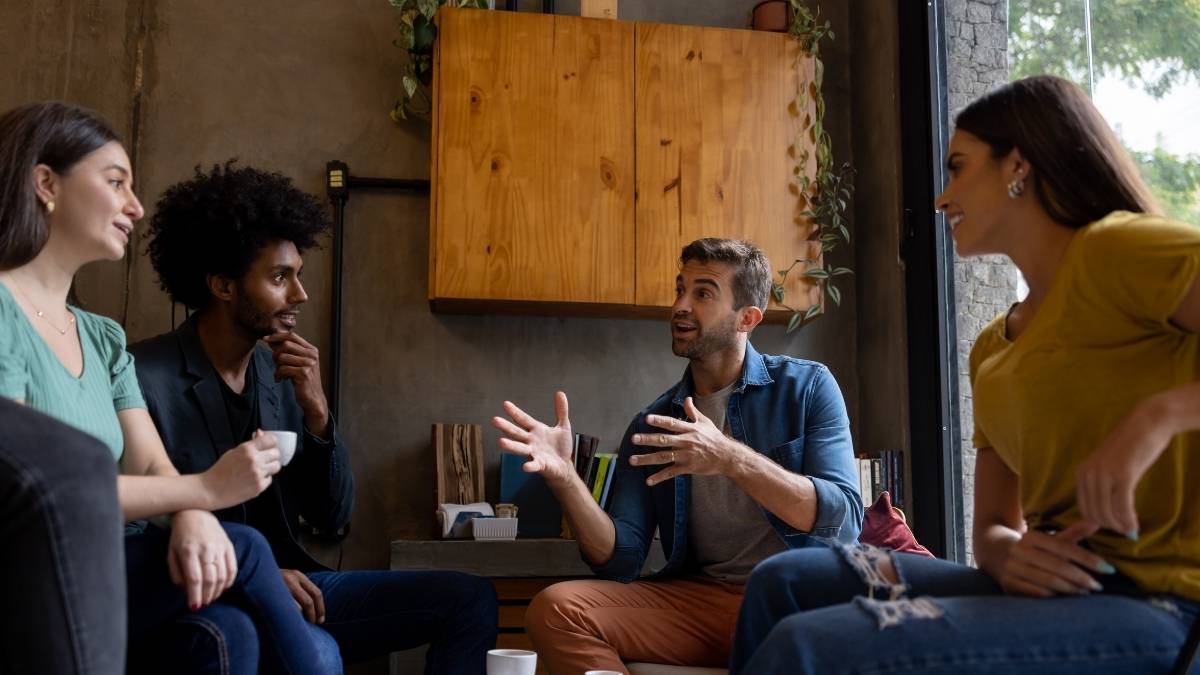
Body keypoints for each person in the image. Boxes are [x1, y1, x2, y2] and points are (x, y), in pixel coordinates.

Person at [729, 75, 1200, 674]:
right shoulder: (991, 349)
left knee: (810, 648)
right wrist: (1012, 556)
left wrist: (1157, 418)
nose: (941, 198)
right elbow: (996, 529)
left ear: (1017, 166)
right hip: (1058, 592)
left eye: (958, 167)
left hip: (1168, 607)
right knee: (783, 581)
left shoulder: (1117, 251)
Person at [0, 101, 337, 675]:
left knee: (222, 632)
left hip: (104, 565)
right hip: (28, 570)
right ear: (45, 184)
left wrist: (191, 511)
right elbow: (35, 489)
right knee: (249, 551)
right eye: (115, 183)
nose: (134, 206)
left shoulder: (103, 338)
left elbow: (154, 469)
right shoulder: (4, 314)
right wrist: (204, 492)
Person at [130, 161, 498, 673]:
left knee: (468, 597)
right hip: (214, 595)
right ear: (222, 285)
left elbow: (333, 515)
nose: (300, 295)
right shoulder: (142, 377)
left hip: (301, 586)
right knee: (321, 654)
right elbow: (135, 533)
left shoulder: (277, 373)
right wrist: (255, 573)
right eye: (280, 277)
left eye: (298, 276)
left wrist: (318, 413)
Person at [492, 238, 863, 674]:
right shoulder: (652, 423)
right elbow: (620, 556)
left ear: (747, 318)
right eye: (679, 289)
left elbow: (843, 520)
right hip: (706, 602)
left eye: (703, 293)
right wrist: (565, 479)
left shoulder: (807, 388)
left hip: (798, 599)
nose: (680, 306)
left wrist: (729, 458)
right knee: (556, 609)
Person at [0, 398, 126, 675]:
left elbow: (153, 462)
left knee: (226, 626)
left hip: (124, 535)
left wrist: (192, 508)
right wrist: (205, 489)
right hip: (92, 536)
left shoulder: (108, 354)